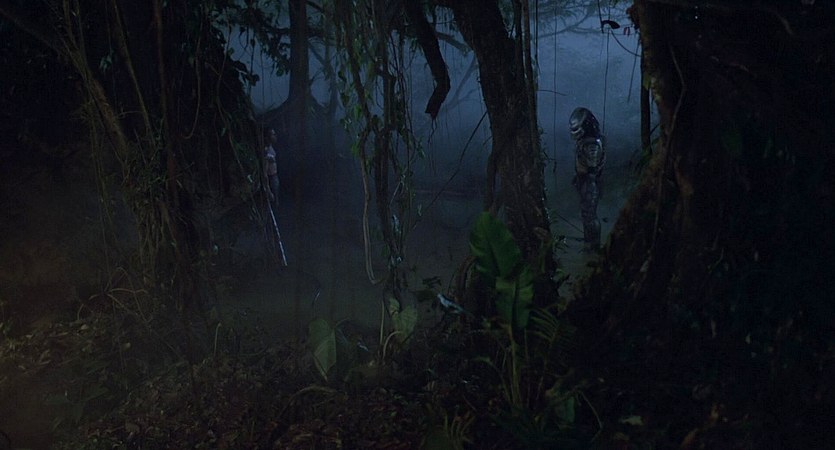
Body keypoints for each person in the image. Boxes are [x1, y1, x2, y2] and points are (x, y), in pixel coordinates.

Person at [569, 107, 606, 251]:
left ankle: (594, 246)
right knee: (586, 213)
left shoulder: (592, 144)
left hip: (590, 182)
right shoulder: (587, 141)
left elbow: (592, 168)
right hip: (585, 180)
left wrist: (588, 183)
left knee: (590, 214)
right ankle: (588, 242)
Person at [263, 127, 280, 211]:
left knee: (276, 200)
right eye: (273, 134)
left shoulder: (271, 148)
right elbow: (265, 172)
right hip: (271, 178)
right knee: (272, 202)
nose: (275, 136)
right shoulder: (266, 151)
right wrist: (269, 191)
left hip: (274, 177)